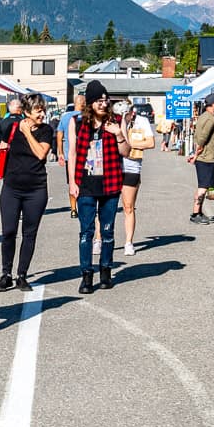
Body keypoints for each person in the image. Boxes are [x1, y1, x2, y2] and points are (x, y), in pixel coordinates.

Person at [0, 93, 52, 292]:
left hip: (36, 189)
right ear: (27, 112)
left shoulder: (46, 130)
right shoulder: (11, 128)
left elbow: (41, 154)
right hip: (11, 188)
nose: (42, 114)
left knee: (29, 233)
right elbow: (1, 150)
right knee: (9, 232)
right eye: (38, 111)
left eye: (43, 110)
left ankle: (22, 274)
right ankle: (6, 274)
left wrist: (28, 132)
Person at [68, 80, 129, 294]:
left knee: (107, 230)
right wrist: (72, 182)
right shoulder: (76, 122)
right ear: (90, 103)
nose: (103, 105)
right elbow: (73, 154)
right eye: (99, 101)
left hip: (110, 183)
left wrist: (118, 134)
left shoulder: (117, 121)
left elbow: (126, 152)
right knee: (86, 231)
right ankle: (86, 275)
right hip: (85, 184)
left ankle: (106, 270)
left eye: (106, 101)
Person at [120, 105, 156, 256]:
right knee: (103, 206)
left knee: (128, 206)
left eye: (127, 112)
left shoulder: (142, 121)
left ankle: (129, 242)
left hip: (132, 166)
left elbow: (150, 143)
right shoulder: (114, 122)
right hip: (112, 166)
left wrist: (129, 144)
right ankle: (99, 239)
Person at [187, 92, 214, 224]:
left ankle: (199, 212)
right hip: (206, 157)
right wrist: (196, 155)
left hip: (204, 157)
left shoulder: (204, 116)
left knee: (203, 186)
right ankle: (195, 213)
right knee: (203, 187)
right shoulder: (210, 119)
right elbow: (202, 138)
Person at [56, 94, 85, 218]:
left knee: (72, 182)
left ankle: (73, 209)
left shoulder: (66, 117)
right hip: (85, 156)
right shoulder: (88, 117)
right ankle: (84, 207)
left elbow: (59, 135)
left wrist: (60, 152)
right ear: (84, 103)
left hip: (70, 156)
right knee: (85, 183)